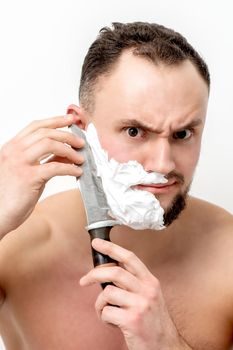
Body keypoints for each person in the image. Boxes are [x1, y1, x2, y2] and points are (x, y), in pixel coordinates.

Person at [0, 21, 232, 350]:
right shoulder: (15, 246)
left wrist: (167, 344)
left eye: (182, 134)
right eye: (135, 131)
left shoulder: (229, 254)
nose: (163, 164)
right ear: (80, 128)